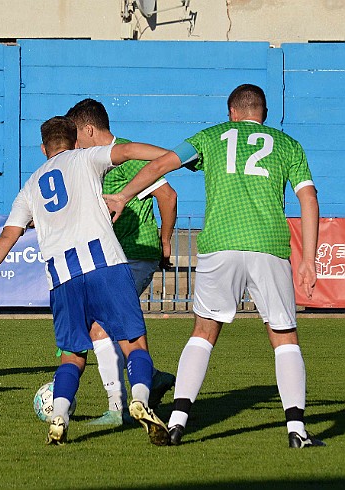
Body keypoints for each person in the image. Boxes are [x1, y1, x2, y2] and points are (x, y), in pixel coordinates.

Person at [104, 84, 324, 449]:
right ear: (263, 114)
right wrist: (310, 260)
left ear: (232, 112)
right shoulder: (288, 145)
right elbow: (309, 198)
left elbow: (161, 165)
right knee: (283, 336)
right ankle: (297, 431)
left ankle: (176, 423)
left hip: (219, 244)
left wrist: (123, 196)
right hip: (268, 245)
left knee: (203, 332)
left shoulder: (211, 136)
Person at [0, 116, 170, 446]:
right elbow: (127, 151)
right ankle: (140, 400)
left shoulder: (30, 186)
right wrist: (173, 156)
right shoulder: (86, 157)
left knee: (72, 355)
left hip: (62, 278)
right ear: (74, 141)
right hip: (105, 266)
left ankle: (60, 414)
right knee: (134, 344)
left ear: (43, 148)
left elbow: (8, 234)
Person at [66, 98, 177, 426]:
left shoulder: (127, 156)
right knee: (109, 326)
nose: (74, 143)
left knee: (99, 326)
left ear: (88, 129)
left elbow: (168, 196)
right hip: (109, 258)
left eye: (76, 135)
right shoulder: (92, 161)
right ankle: (152, 378)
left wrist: (166, 242)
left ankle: (117, 410)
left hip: (134, 255)